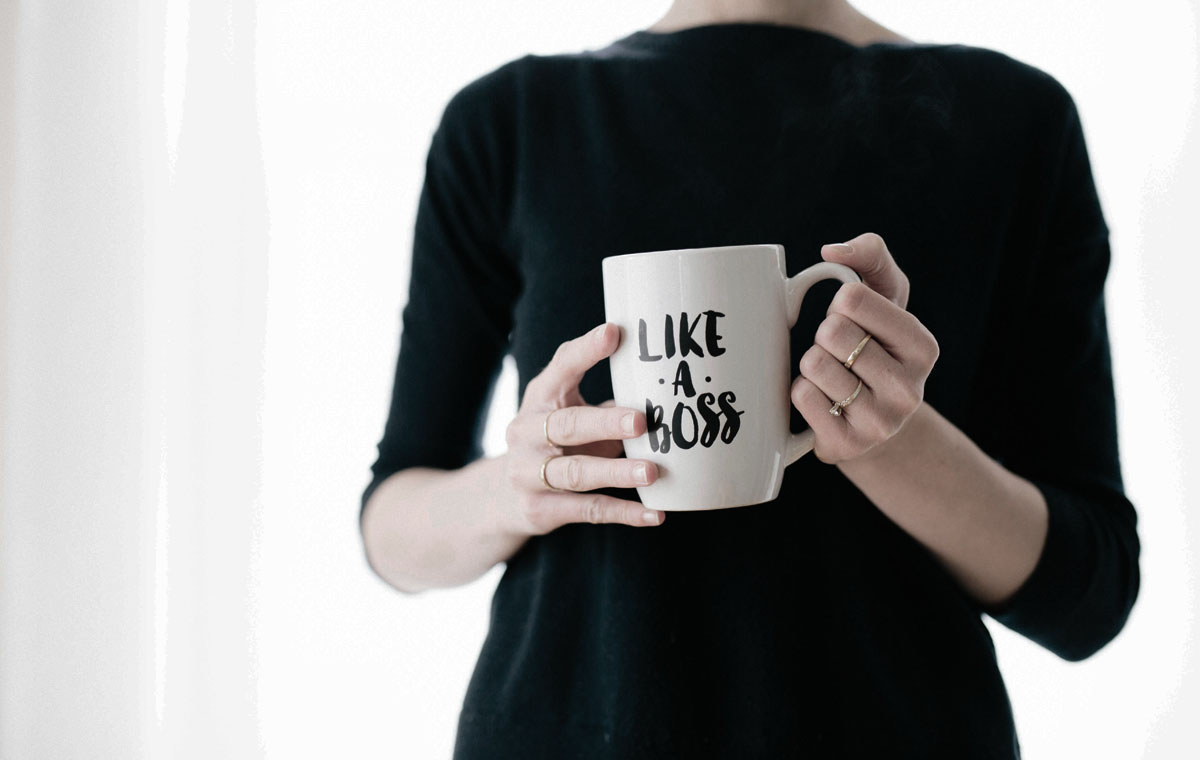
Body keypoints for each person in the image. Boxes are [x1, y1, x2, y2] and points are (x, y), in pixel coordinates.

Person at [359, 1, 1141, 756]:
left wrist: (888, 441)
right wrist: (517, 488)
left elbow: (1089, 594)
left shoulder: (1012, 121)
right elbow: (391, 526)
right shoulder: (511, 123)